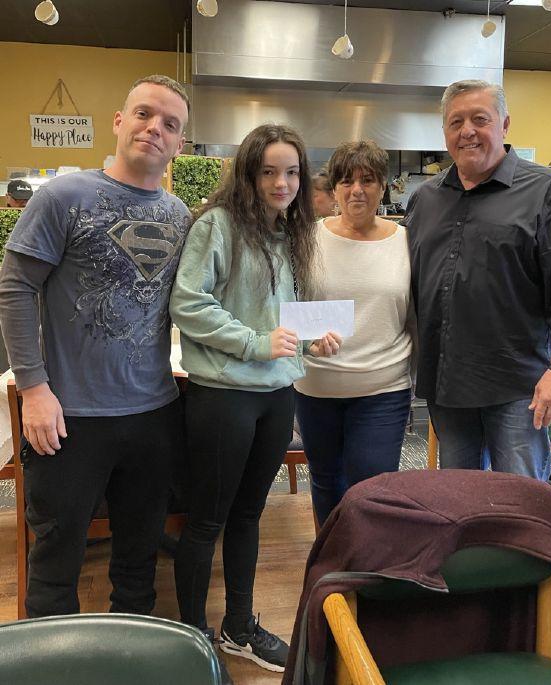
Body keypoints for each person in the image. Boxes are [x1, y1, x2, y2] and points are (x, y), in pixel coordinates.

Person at [0, 75, 191, 618]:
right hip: (69, 418)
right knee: (56, 561)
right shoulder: (64, 197)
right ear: (119, 121)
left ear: (179, 143)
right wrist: (33, 389)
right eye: (144, 114)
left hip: (154, 413)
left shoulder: (180, 216)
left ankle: (130, 651)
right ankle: (50, 658)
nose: (154, 129)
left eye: (170, 124)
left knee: (139, 560)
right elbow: (15, 287)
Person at [170, 123, 337, 678]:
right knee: (206, 520)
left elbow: (279, 314)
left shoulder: (289, 232)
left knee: (248, 514)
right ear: (248, 173)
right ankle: (192, 637)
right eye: (268, 171)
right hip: (224, 397)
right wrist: (254, 344)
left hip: (277, 394)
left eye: (291, 172)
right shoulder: (216, 225)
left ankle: (238, 628)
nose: (281, 183)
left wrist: (311, 338)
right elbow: (189, 304)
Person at [403, 79, 551, 480]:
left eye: (479, 119)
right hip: (447, 382)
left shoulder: (548, 192)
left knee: (520, 500)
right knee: (460, 497)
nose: (467, 131)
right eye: (456, 122)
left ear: (504, 124)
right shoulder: (425, 199)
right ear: (445, 132)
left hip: (518, 386)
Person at [295, 140, 413, 527]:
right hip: (317, 387)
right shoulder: (306, 238)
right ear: (334, 188)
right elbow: (284, 301)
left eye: (367, 180)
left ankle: (370, 562)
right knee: (326, 481)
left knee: (373, 486)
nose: (356, 190)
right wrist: (305, 338)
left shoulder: (406, 242)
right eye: (346, 181)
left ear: (383, 186)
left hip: (383, 387)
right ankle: (330, 560)